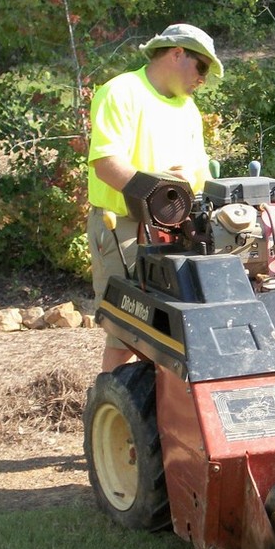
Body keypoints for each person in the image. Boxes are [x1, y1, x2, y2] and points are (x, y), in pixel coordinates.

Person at [85, 22, 224, 371]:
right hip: (125, 229)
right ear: (177, 53)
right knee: (128, 331)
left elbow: (199, 174)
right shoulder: (122, 92)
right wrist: (160, 191)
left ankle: (165, 414)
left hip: (180, 229)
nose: (203, 79)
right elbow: (106, 164)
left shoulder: (188, 109)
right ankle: (120, 412)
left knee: (178, 330)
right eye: (201, 67)